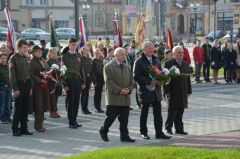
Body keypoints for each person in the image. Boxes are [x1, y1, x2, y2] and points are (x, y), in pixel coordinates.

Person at [133, 41, 171, 140]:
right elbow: (136, 76)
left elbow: (159, 72)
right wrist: (149, 81)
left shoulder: (156, 60)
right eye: (149, 48)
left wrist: (162, 79)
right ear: (144, 49)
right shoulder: (139, 61)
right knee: (144, 113)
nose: (152, 50)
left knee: (158, 113)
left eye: (152, 48)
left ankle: (159, 133)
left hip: (156, 91)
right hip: (145, 91)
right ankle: (144, 133)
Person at [99, 47, 135, 142]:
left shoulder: (127, 67)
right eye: (122, 54)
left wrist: (129, 89)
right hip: (114, 98)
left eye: (125, 54)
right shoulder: (108, 67)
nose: (124, 56)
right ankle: (104, 131)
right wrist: (120, 90)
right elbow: (108, 82)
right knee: (110, 118)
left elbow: (132, 82)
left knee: (124, 119)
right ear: (115, 56)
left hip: (125, 97)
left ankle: (124, 136)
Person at [164, 45, 192, 135]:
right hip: (173, 91)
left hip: (183, 91)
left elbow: (188, 78)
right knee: (172, 111)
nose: (181, 54)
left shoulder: (185, 63)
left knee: (180, 111)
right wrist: (167, 92)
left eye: (182, 52)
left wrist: (189, 91)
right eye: (179, 53)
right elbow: (166, 80)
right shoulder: (168, 63)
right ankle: (168, 128)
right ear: (173, 54)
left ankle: (179, 129)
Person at [9, 39, 33, 136]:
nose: (26, 50)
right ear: (18, 47)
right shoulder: (13, 58)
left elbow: (29, 74)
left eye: (27, 48)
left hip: (27, 85)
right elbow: (12, 76)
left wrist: (31, 86)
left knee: (25, 108)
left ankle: (24, 128)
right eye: (24, 48)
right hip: (19, 85)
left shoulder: (26, 58)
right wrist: (15, 89)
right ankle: (15, 129)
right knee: (18, 108)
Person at [61, 38, 85, 129]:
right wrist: (65, 85)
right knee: (71, 102)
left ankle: (75, 119)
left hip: (77, 81)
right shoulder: (65, 56)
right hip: (70, 81)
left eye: (75, 45)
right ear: (69, 45)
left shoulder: (78, 55)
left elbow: (81, 69)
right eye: (72, 45)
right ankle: (71, 121)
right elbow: (62, 72)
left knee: (76, 101)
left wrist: (83, 81)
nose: (74, 47)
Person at [30, 45, 50, 132]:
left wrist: (49, 74)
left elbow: (47, 70)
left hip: (44, 87)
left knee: (43, 106)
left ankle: (40, 124)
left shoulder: (42, 60)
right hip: (37, 87)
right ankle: (38, 126)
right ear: (33, 52)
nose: (40, 53)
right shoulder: (31, 61)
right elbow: (32, 75)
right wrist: (40, 80)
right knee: (39, 106)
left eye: (40, 51)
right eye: (37, 51)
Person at [46, 48, 61, 118]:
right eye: (53, 53)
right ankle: (52, 112)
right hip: (52, 82)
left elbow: (60, 70)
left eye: (56, 53)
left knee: (56, 97)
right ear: (50, 53)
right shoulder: (48, 61)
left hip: (58, 81)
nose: (55, 54)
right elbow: (47, 72)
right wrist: (53, 71)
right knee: (52, 97)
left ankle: (55, 110)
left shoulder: (57, 61)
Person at [80, 46, 93, 114]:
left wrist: (91, 81)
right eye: (86, 50)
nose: (87, 51)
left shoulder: (90, 59)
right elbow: (81, 70)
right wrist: (82, 81)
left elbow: (91, 70)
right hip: (83, 78)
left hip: (88, 79)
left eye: (88, 50)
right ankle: (83, 109)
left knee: (87, 94)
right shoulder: (81, 58)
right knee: (83, 94)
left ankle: (86, 108)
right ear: (83, 50)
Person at [0, 52, 12, 124]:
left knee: (8, 103)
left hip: (9, 87)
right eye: (2, 58)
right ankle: (2, 117)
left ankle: (8, 116)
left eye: (5, 58)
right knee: (2, 103)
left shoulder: (8, 66)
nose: (4, 60)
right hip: (2, 87)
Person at [92, 48, 105, 113]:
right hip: (96, 78)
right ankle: (97, 107)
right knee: (96, 93)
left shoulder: (100, 60)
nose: (97, 54)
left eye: (98, 53)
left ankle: (99, 106)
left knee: (100, 93)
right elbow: (93, 72)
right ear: (94, 54)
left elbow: (103, 70)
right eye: (96, 53)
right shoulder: (93, 61)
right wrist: (94, 81)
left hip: (101, 78)